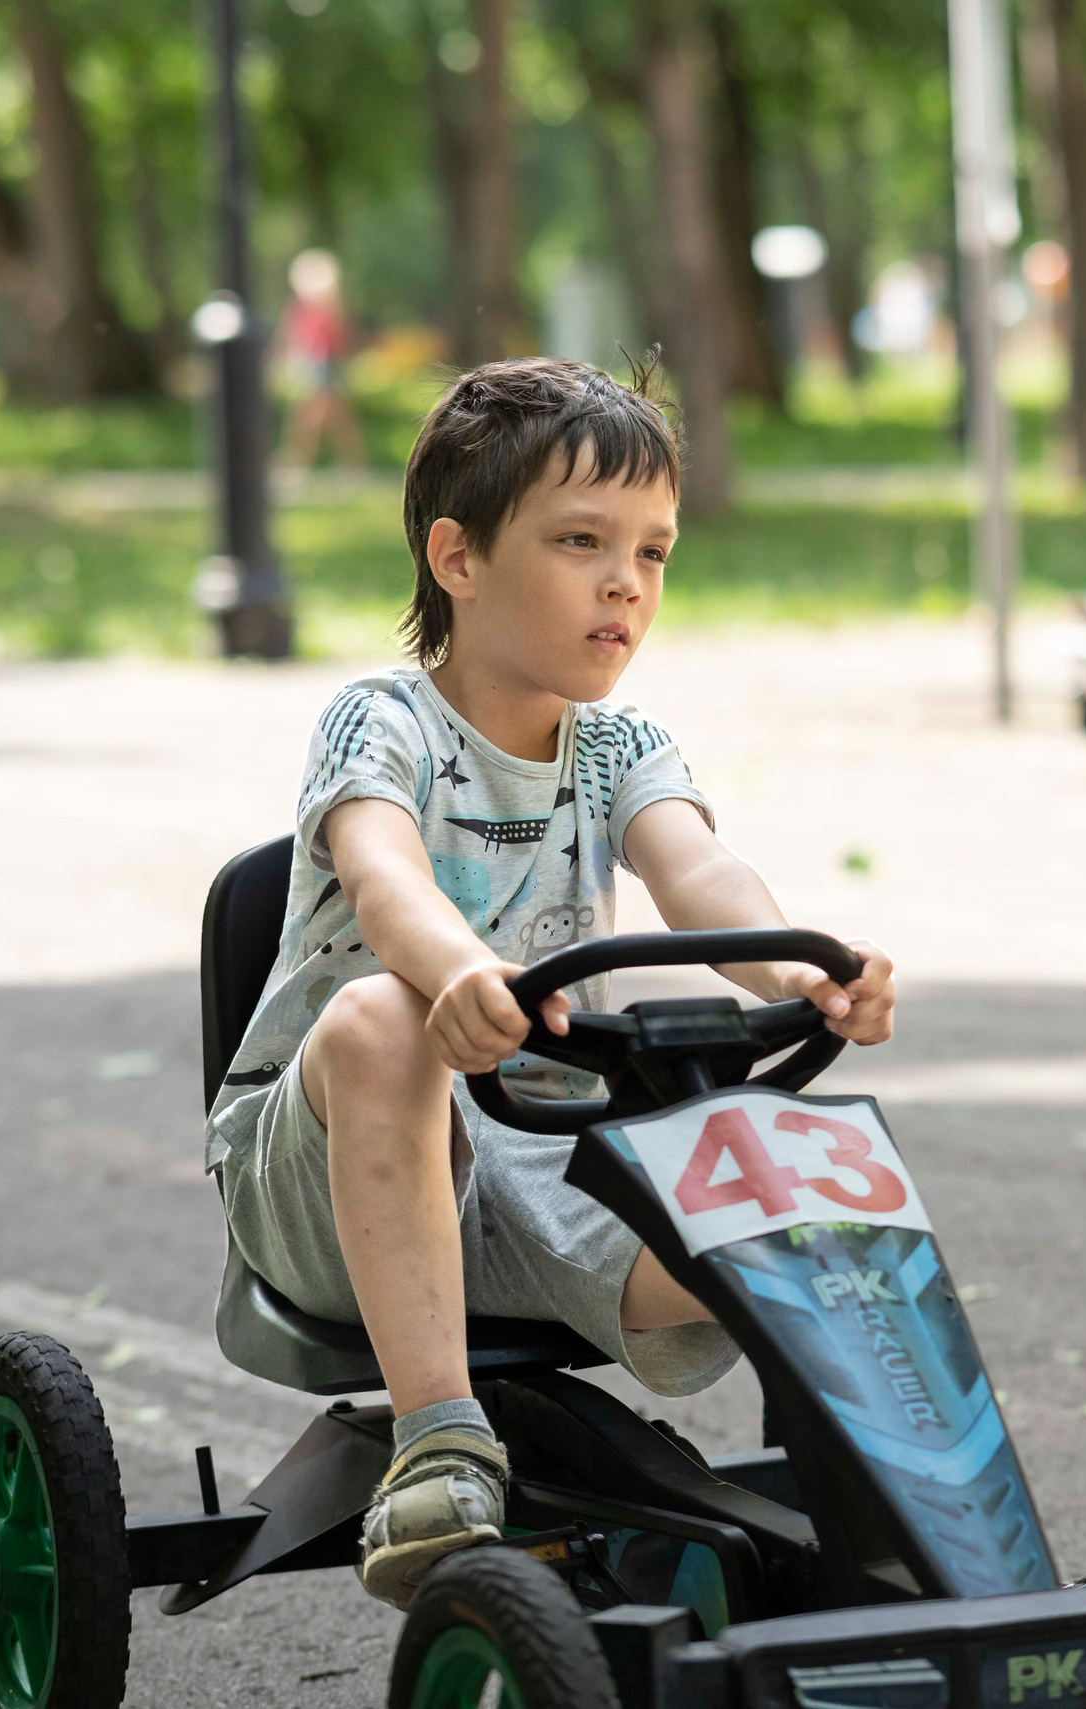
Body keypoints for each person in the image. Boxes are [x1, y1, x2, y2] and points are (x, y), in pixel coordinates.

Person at [205, 357, 897, 1607]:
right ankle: (438, 1445)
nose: (625, 581)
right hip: (320, 1148)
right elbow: (382, 873)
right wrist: (458, 967)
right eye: (580, 540)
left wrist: (801, 963)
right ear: (457, 558)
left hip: (532, 1146)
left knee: (770, 1206)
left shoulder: (624, 746)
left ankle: (889, 1498)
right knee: (386, 1017)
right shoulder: (385, 722)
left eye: (653, 551)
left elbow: (702, 873)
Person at [278, 249, 368, 470]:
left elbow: (336, 339)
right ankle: (350, 463)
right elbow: (292, 335)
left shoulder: (330, 308)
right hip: (315, 366)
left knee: (317, 416)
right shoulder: (303, 309)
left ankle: (298, 462)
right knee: (325, 416)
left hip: (326, 365)